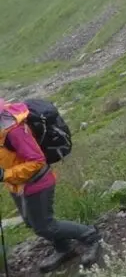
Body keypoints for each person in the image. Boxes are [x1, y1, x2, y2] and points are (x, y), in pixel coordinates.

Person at [1, 100, 102, 273]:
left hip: (38, 183)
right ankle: (64, 248)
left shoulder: (14, 131)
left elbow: (37, 161)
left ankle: (91, 237)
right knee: (31, 222)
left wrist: (5, 175)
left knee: (45, 226)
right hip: (17, 185)